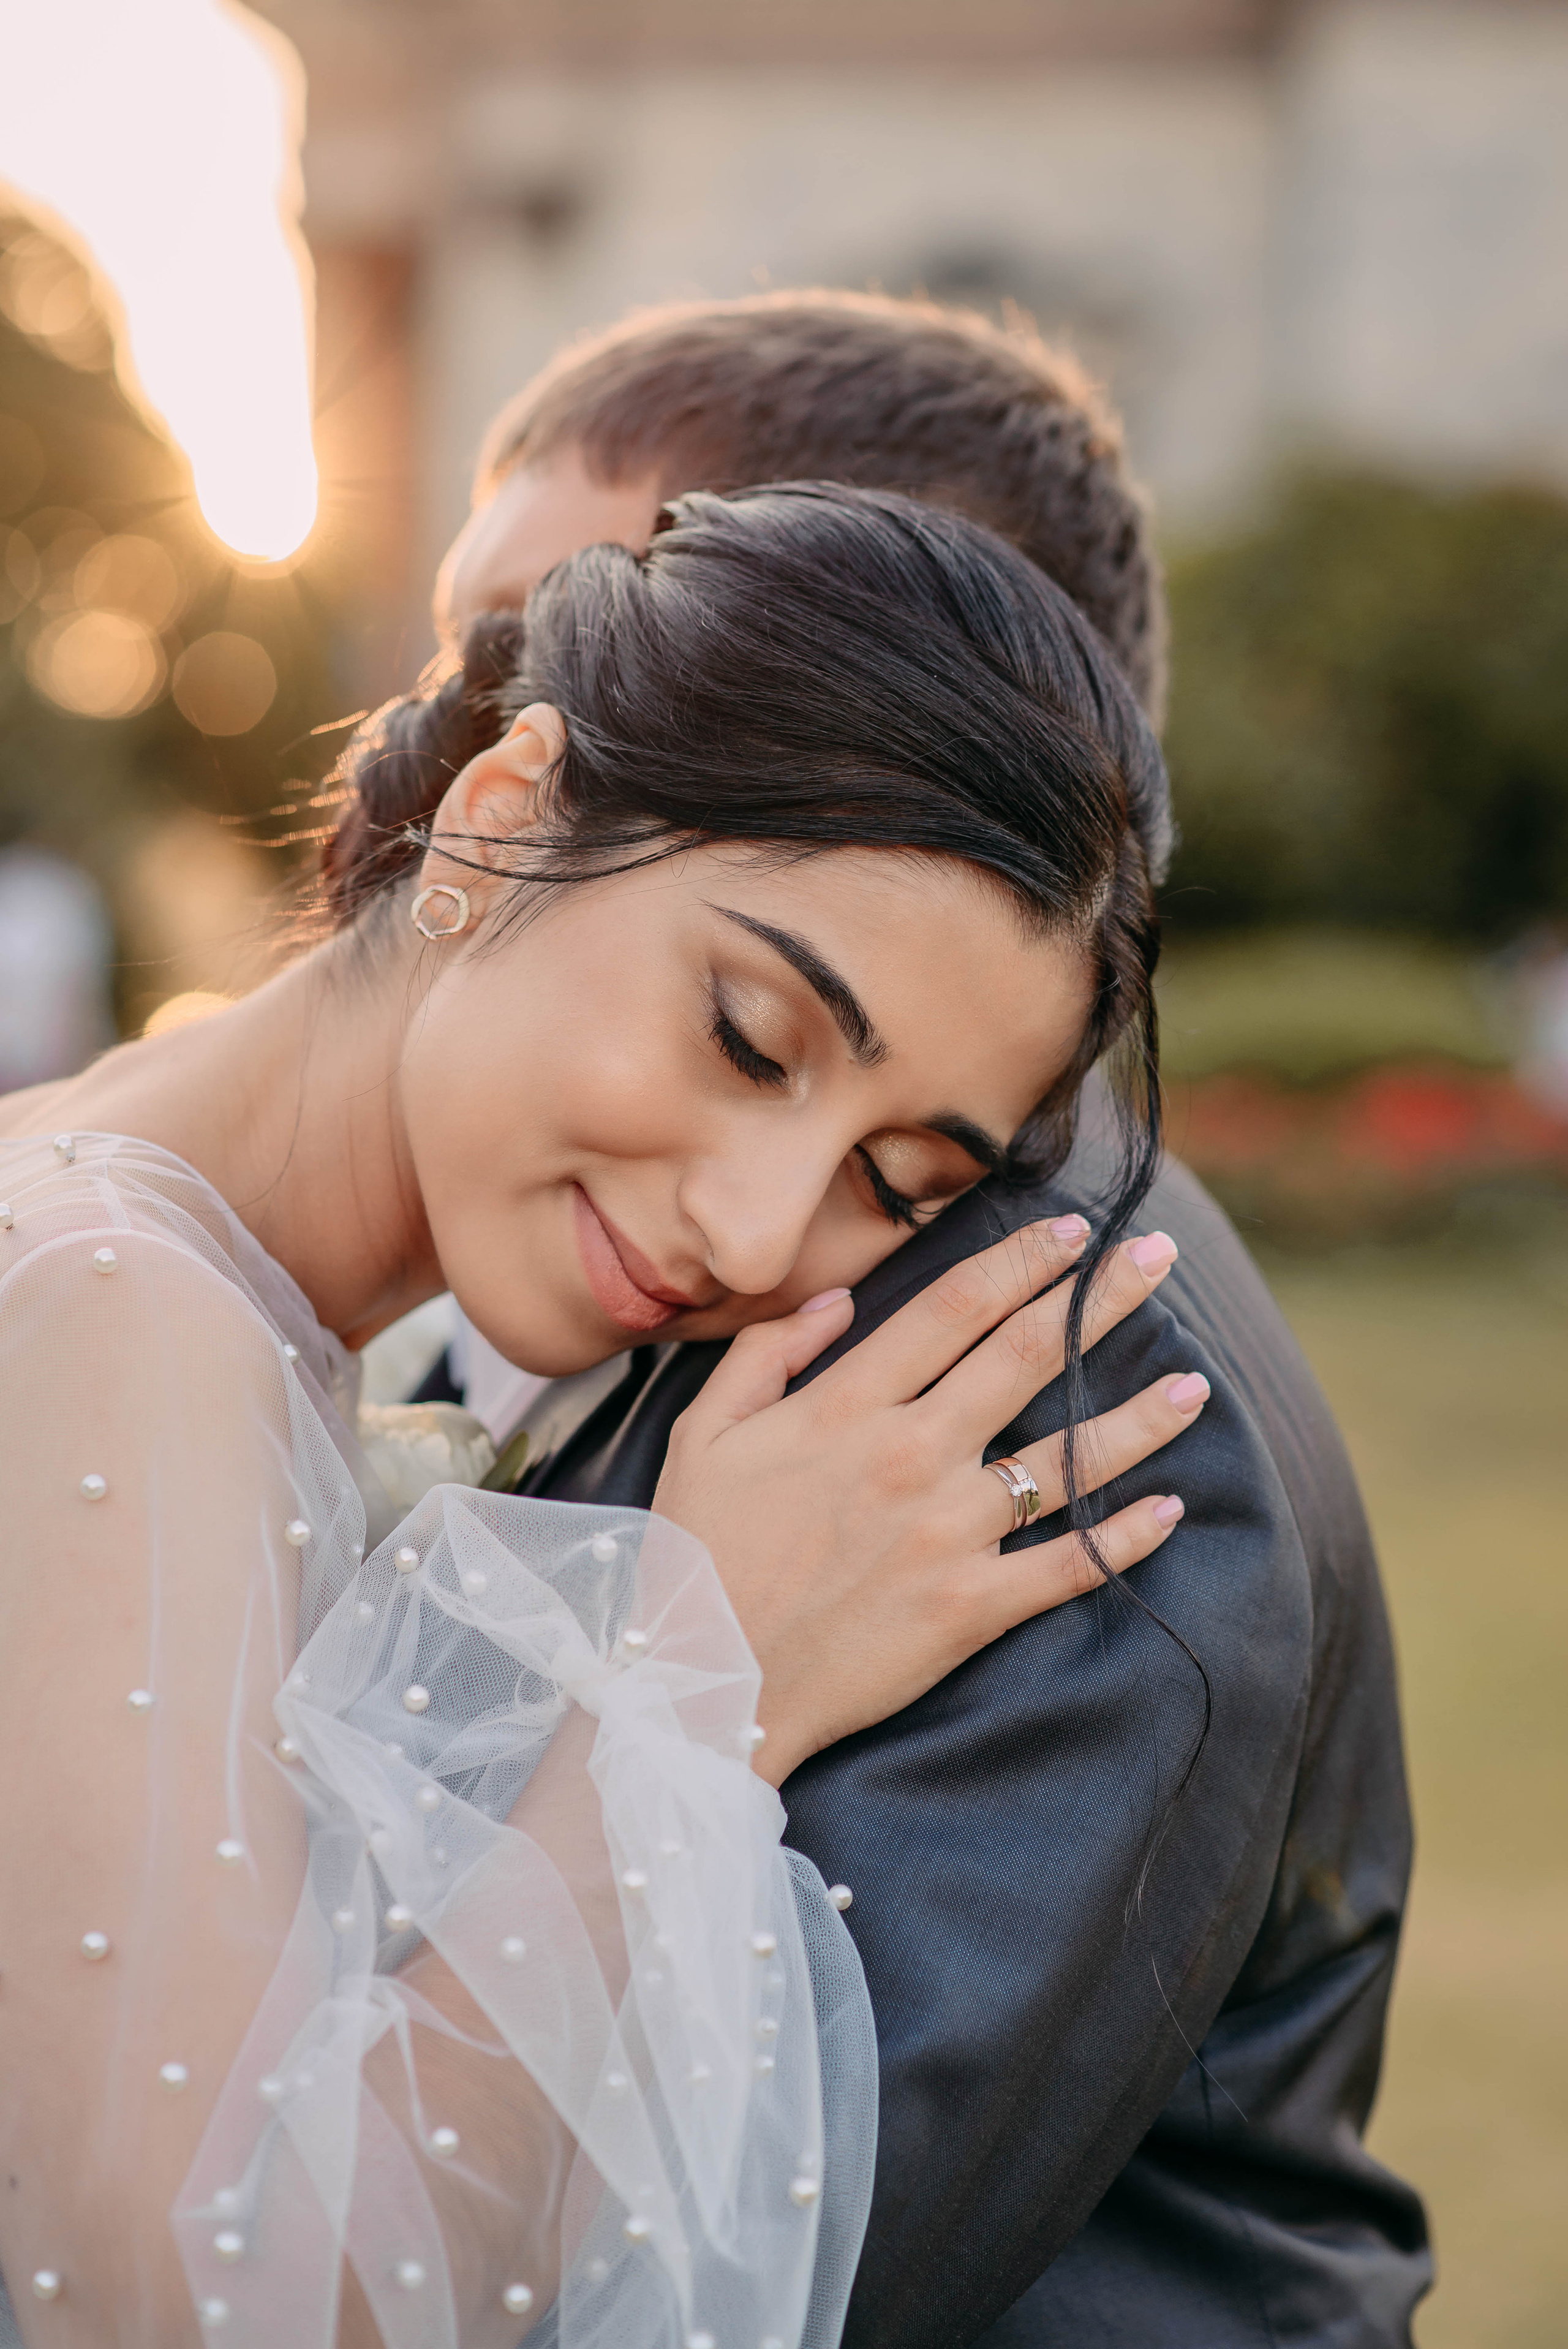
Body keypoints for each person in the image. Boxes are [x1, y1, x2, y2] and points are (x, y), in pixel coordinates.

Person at [0, 483, 1201, 2347]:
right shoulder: (114, 1307)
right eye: (746, 1033)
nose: (752, 1228)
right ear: (496, 823)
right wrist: (698, 1673)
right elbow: (208, 2304)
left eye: (893, 1181)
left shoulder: (132, 1217)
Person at [413, 290, 1432, 2348]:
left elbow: (747, 2265)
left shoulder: (1062, 1377)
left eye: (556, 641)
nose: (452, 749)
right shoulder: (698, 1224)